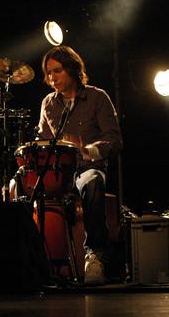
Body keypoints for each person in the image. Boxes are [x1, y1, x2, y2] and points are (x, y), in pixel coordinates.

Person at [11, 45, 122, 285]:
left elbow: (115, 140)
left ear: (73, 69)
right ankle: (28, 259)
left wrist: (87, 150)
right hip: (57, 172)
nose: (52, 78)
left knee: (93, 181)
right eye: (49, 73)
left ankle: (95, 256)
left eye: (57, 71)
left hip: (86, 167)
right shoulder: (48, 103)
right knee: (16, 186)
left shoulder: (97, 97)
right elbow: (42, 139)